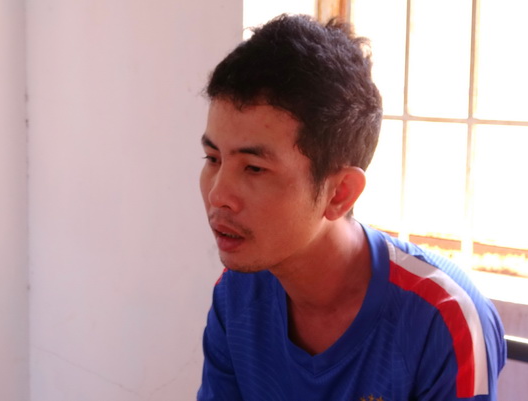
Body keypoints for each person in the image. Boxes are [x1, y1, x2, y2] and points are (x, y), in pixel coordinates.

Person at [197, 14, 506, 401]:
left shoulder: (442, 317)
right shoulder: (237, 294)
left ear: (340, 193)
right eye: (213, 159)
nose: (218, 195)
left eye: (254, 168)